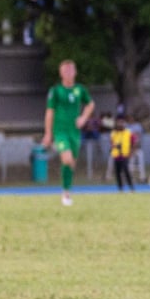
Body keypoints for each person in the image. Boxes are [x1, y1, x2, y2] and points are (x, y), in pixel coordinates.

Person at [42, 60, 96, 206]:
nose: (69, 73)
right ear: (61, 73)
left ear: (75, 72)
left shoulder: (80, 89)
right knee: (66, 159)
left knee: (71, 163)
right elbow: (49, 112)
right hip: (60, 131)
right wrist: (48, 133)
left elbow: (90, 104)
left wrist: (84, 118)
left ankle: (66, 191)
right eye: (65, 71)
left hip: (74, 133)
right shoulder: (56, 91)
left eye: (71, 70)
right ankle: (65, 195)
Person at [109, 115, 137, 192]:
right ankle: (120, 188)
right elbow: (111, 143)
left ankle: (131, 188)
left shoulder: (128, 132)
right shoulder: (113, 133)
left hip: (125, 155)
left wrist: (132, 152)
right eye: (119, 122)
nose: (120, 124)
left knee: (126, 171)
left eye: (122, 122)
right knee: (117, 172)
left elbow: (134, 143)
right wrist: (114, 146)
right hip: (116, 155)